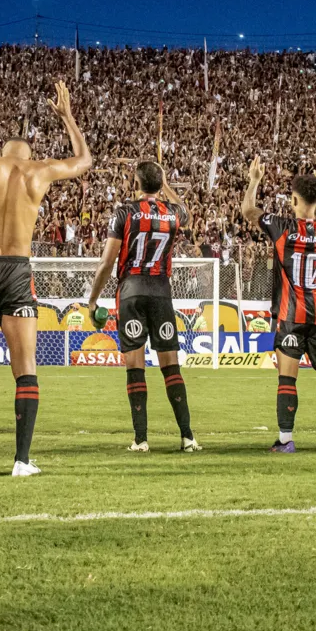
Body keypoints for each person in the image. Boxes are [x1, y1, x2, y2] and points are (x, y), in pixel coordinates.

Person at [0, 81, 92, 477]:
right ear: (28, 154)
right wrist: (67, 117)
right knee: (25, 365)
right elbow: (83, 161)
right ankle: (21, 461)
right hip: (17, 270)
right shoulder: (38, 171)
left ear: (2, 151)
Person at [87, 161, 200, 453]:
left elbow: (107, 262)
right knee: (171, 367)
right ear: (159, 184)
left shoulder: (124, 212)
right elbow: (185, 212)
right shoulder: (173, 213)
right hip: (162, 292)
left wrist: (92, 299)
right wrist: (166, 187)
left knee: (135, 367)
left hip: (132, 292)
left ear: (134, 183)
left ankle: (141, 439)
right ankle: (188, 437)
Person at [241, 156, 316, 453]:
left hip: (290, 317)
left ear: (293, 199)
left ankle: (286, 440)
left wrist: (254, 180)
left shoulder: (283, 227)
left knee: (287, 378)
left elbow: (249, 210)